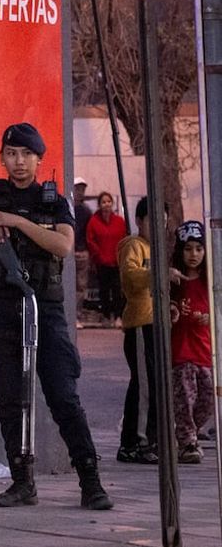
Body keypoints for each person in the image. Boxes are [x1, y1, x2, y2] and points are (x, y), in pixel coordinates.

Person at [0, 122, 112, 511]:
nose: (18, 162)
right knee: (11, 400)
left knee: (63, 395)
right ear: (3, 158)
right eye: (11, 154)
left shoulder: (54, 201)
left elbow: (62, 244)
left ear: (39, 159)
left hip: (44, 309)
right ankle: (22, 481)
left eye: (26, 154)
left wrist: (17, 222)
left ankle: (90, 481)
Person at [115, 197, 161, 464]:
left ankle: (141, 439)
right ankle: (137, 442)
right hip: (140, 323)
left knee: (148, 384)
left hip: (154, 321)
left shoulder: (153, 249)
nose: (158, 227)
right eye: (152, 221)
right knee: (145, 386)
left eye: (162, 223)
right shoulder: (134, 246)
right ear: (140, 221)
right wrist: (156, 273)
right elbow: (131, 277)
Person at [169, 221, 213, 464]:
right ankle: (188, 443)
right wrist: (172, 310)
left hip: (205, 352)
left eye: (198, 248)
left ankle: (187, 433)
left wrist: (211, 318)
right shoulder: (175, 279)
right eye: (188, 249)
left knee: (206, 400)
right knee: (185, 397)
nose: (193, 254)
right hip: (181, 351)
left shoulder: (210, 281)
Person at [86, 192, 127, 327]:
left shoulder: (120, 221)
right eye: (104, 202)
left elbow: (124, 239)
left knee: (117, 290)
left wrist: (121, 256)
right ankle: (105, 316)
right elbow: (90, 240)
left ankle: (118, 317)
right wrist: (98, 256)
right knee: (104, 291)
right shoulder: (93, 221)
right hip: (101, 262)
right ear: (99, 205)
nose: (107, 204)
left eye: (109, 201)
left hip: (116, 262)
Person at [72, 177, 93, 328]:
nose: (80, 192)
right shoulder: (67, 208)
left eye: (82, 189)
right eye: (77, 188)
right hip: (69, 251)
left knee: (81, 286)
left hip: (82, 251)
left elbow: (90, 233)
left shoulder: (86, 211)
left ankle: (77, 315)